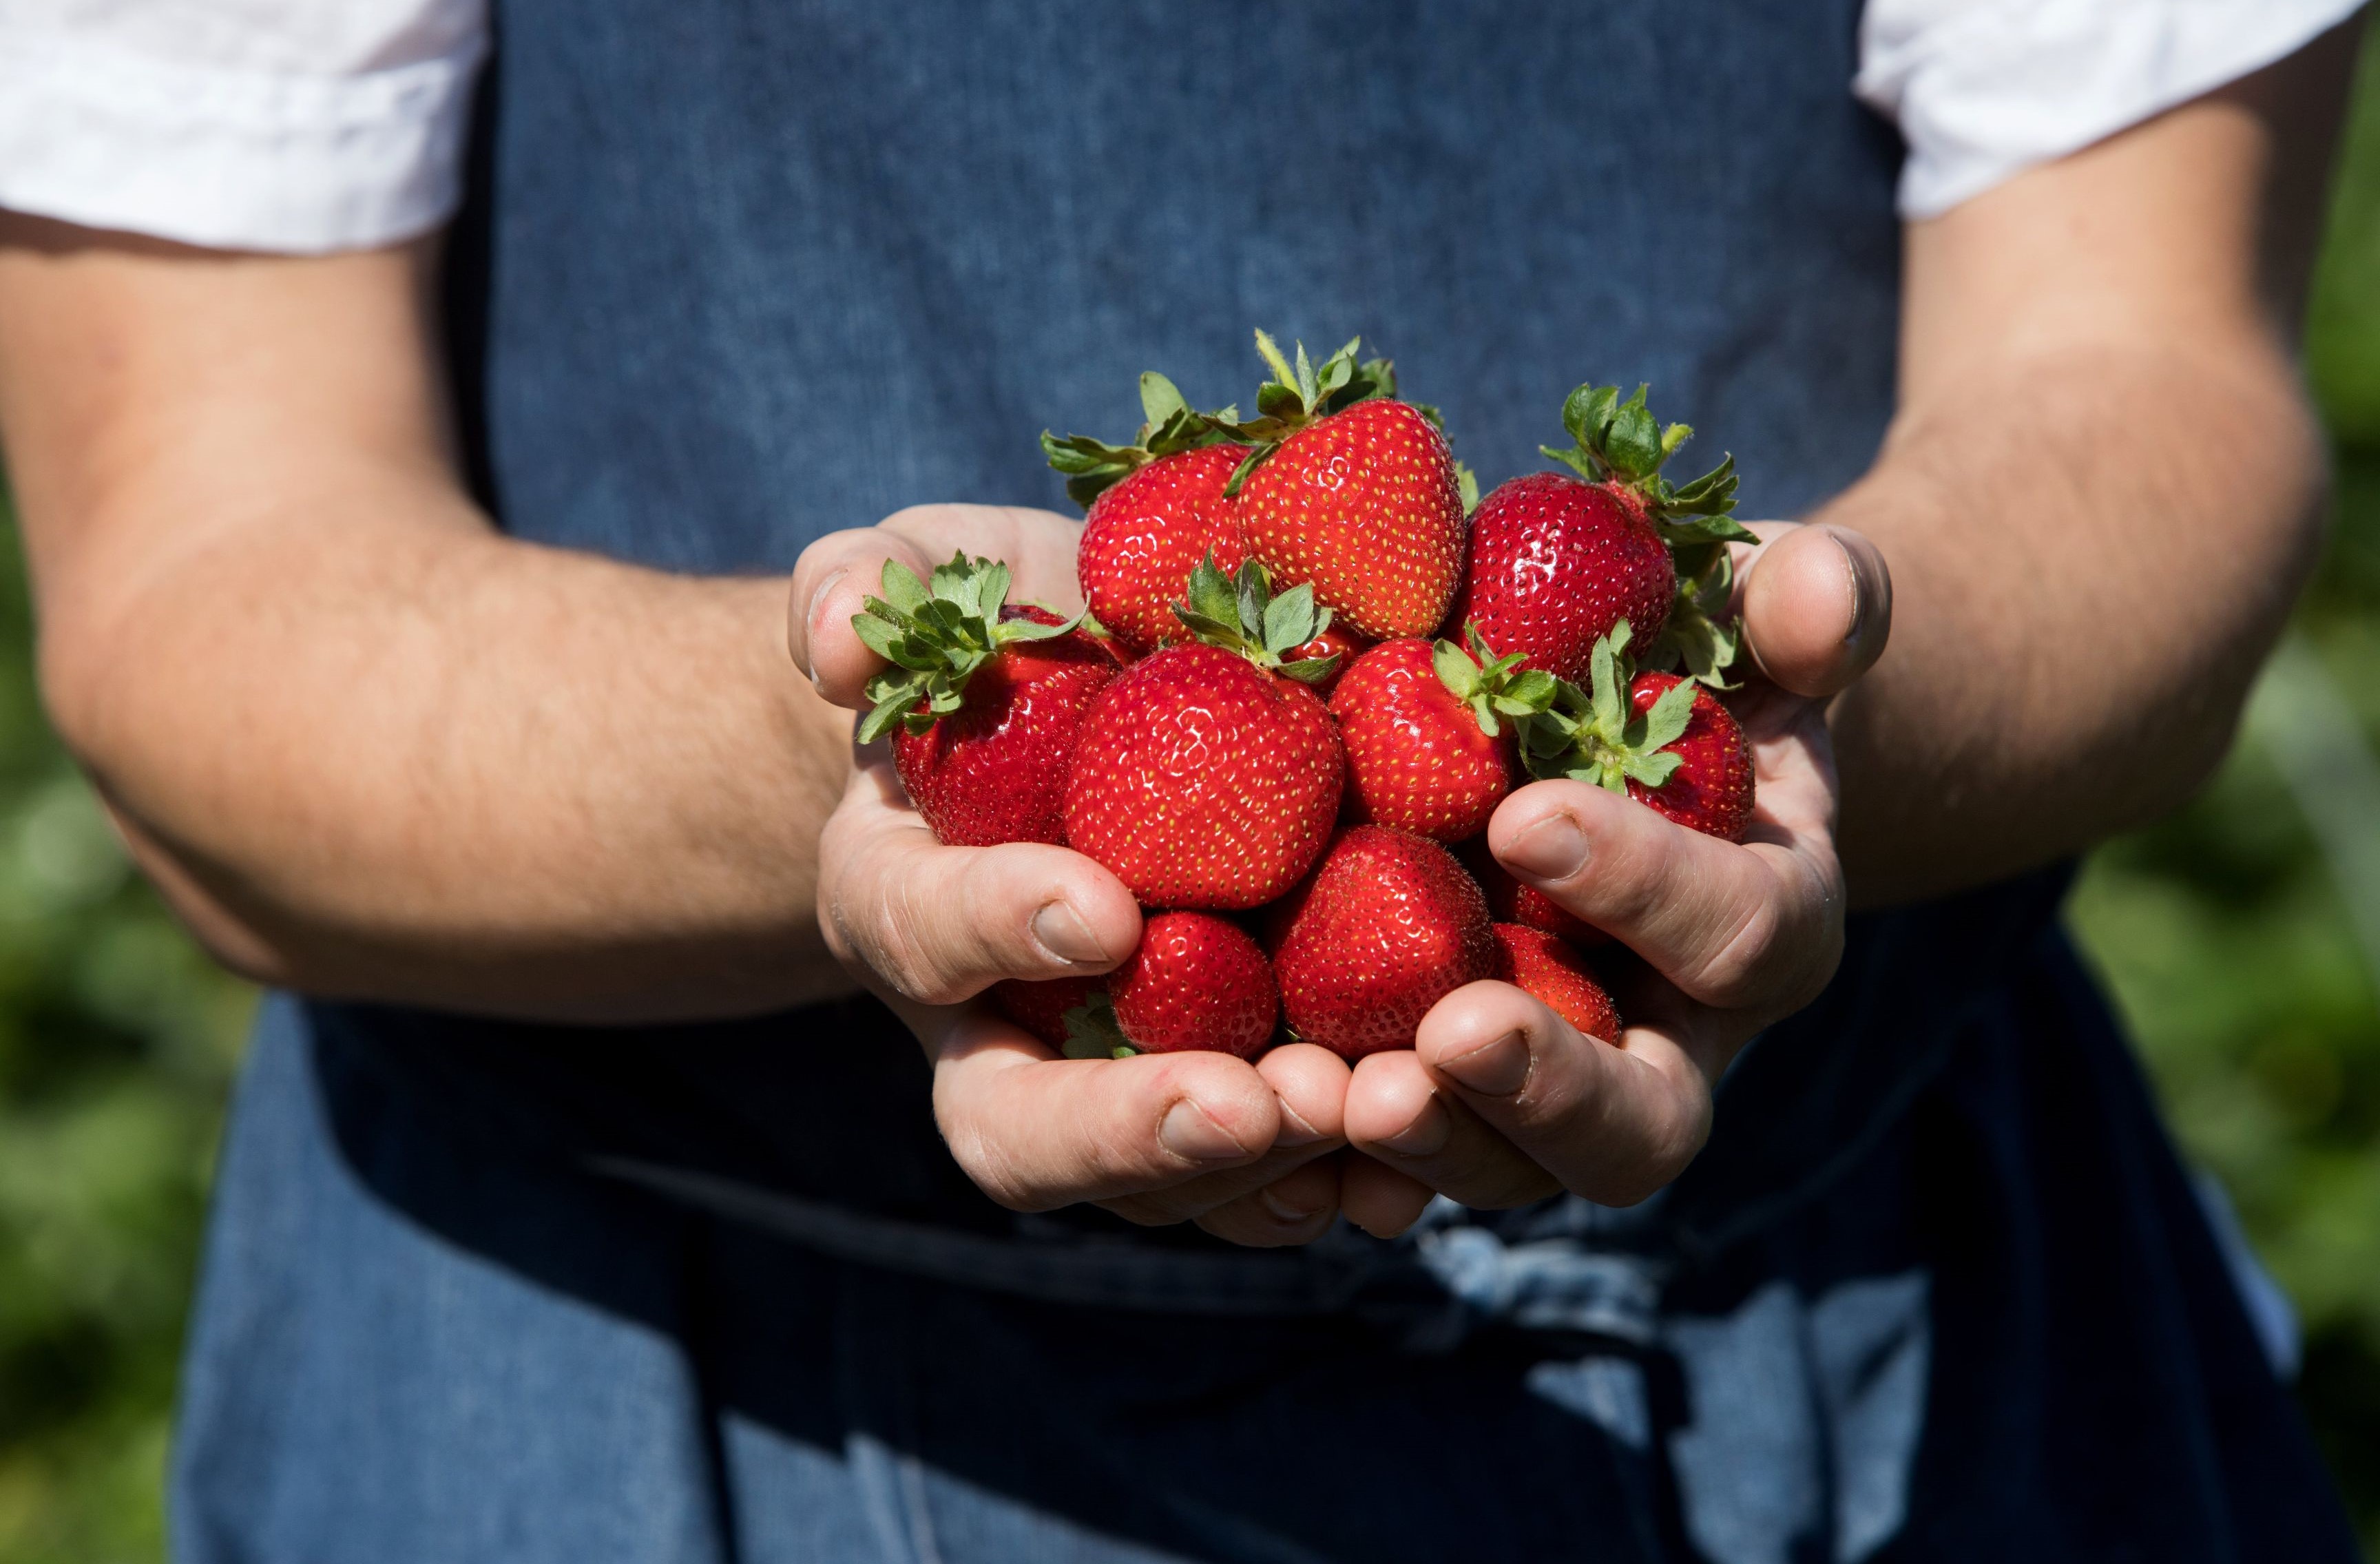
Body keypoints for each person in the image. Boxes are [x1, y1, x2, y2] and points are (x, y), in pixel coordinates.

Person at [0, 0, 2364, 1558]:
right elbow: (204, 594)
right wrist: (872, 759)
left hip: (1885, 1338)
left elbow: (2154, 383)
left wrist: (1770, 735)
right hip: (646, 1402)